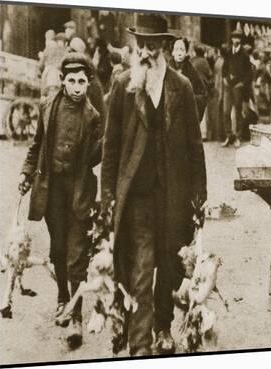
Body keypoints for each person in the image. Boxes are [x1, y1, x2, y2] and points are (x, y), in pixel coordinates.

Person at [101, 13, 207, 356]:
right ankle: (141, 344)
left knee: (170, 265)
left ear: (163, 47)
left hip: (173, 196)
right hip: (137, 197)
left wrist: (199, 196)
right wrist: (107, 196)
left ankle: (164, 327)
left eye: (152, 45)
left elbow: (195, 147)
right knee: (142, 266)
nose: (145, 51)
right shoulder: (122, 86)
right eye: (140, 45)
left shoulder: (182, 87)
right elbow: (111, 146)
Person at [18, 53, 102, 350]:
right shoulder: (47, 107)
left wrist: (105, 142)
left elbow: (94, 157)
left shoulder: (93, 116)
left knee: (78, 252)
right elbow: (37, 145)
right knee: (58, 249)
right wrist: (27, 174)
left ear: (88, 83)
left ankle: (76, 314)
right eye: (72, 81)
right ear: (63, 81)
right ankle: (63, 297)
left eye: (82, 82)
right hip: (51, 188)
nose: (77, 87)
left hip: (78, 190)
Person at [221, 28, 252, 147]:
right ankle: (229, 136)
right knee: (225, 111)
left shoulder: (244, 55)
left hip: (238, 86)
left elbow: (249, 73)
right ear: (232, 39)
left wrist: (242, 83)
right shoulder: (228, 52)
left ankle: (237, 136)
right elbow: (224, 68)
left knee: (238, 112)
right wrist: (224, 78)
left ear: (241, 40)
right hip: (228, 86)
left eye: (238, 38)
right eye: (234, 38)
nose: (236, 40)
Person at [170, 37, 208, 121]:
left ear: (186, 53)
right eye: (176, 49)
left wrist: (190, 99)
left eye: (182, 50)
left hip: (185, 117)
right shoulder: (166, 70)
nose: (179, 53)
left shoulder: (191, 71)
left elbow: (202, 94)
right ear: (172, 52)